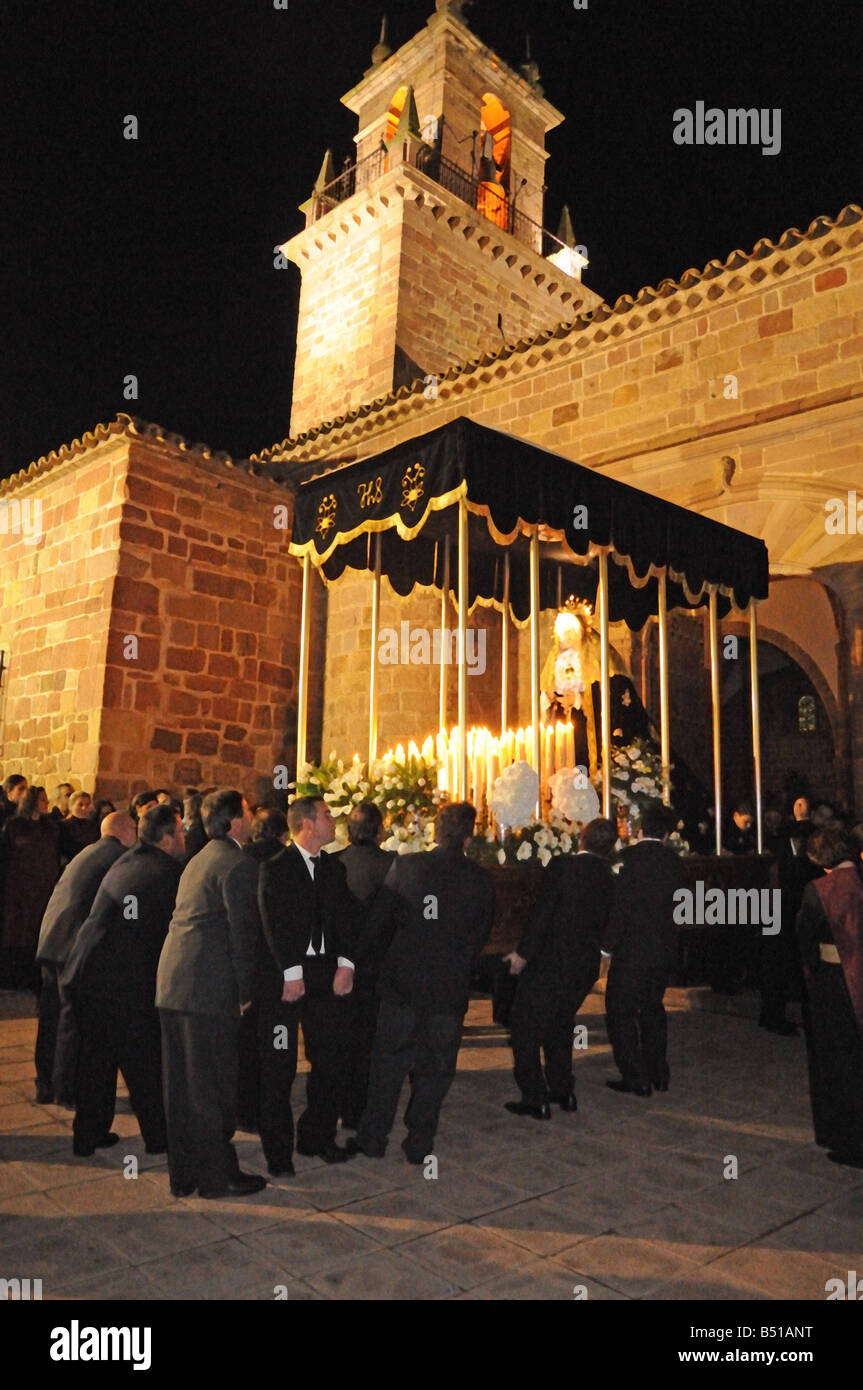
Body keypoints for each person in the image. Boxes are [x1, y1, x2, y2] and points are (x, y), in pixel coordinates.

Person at [349, 802, 495, 1164]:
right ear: (469, 836)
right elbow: (481, 935)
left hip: (402, 983)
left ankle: (373, 1137)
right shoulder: (480, 879)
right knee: (436, 1067)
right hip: (448, 986)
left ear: (435, 830)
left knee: (387, 1063)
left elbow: (380, 922)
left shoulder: (408, 866)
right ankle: (419, 1140)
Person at [155, 788, 264, 1199]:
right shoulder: (237, 863)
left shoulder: (198, 858)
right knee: (214, 1087)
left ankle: (185, 1175)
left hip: (175, 983)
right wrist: (245, 990)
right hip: (207, 987)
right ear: (235, 821)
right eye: (249, 811)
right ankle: (218, 1177)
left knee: (182, 1087)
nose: (252, 818)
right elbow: (242, 934)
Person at [61, 806, 187, 1157]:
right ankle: (159, 1138)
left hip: (86, 972)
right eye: (180, 832)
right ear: (165, 838)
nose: (184, 837)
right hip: (120, 982)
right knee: (143, 1061)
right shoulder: (166, 873)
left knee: (96, 1060)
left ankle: (88, 1136)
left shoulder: (129, 860)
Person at [257, 796, 358, 1173]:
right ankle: (278, 1154)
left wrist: (346, 964)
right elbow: (273, 924)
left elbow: (348, 920)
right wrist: (291, 972)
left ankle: (318, 1136)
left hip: (325, 976)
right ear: (308, 824)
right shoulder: (275, 868)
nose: (334, 822)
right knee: (278, 1068)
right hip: (285, 981)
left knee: (331, 1059)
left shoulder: (335, 868)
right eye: (328, 815)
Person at [502, 816, 617, 1119]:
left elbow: (544, 914)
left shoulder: (562, 867)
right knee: (560, 1024)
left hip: (551, 961)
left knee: (524, 1026)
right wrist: (604, 953)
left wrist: (522, 953)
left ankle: (534, 1097)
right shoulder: (609, 877)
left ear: (582, 838)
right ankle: (562, 1091)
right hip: (584, 964)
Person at [35, 810, 137, 1103]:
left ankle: (47, 1083)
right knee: (74, 1022)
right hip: (73, 948)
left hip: (53, 942)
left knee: (51, 1018)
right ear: (126, 831)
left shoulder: (89, 852)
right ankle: (68, 1088)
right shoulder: (118, 858)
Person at [603, 803, 683, 1097]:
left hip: (632, 950)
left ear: (640, 829)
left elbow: (619, 908)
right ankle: (658, 1073)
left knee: (621, 1012)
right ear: (666, 834)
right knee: (653, 1009)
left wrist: (607, 947)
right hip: (662, 948)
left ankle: (635, 1076)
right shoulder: (675, 862)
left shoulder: (626, 860)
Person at [795, 827, 863, 1169]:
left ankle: (850, 1140)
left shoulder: (820, 890)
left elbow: (806, 935)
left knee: (841, 1061)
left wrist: (811, 974)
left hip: (837, 983)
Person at [227, 807, 290, 1133]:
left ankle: (244, 1111)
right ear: (283, 835)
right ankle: (270, 1112)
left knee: (247, 1045)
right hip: (275, 970)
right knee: (277, 1048)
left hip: (245, 966)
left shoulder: (240, 859)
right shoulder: (287, 863)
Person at [335, 802, 394, 1128]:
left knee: (345, 1040)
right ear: (380, 831)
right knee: (369, 1043)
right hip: (374, 968)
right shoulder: (391, 865)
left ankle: (346, 1106)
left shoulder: (334, 862)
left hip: (339, 964)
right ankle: (361, 1110)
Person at [0, 786, 61, 990]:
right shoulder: (15, 826)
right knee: (17, 935)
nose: (46, 804)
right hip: (18, 892)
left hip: (42, 891)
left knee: (37, 934)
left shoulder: (49, 827)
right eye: (42, 800)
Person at [59, 791, 100, 862]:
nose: (84, 808)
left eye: (87, 805)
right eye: (80, 805)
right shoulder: (63, 826)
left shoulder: (93, 825)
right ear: (71, 806)